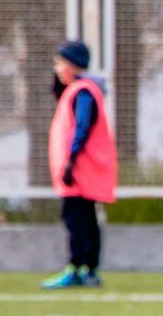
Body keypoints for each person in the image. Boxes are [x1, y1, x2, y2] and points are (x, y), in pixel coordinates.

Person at [41, 40, 117, 289]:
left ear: (73, 65)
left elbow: (82, 127)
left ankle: (79, 267)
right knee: (84, 218)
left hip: (80, 170)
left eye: (59, 63)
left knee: (77, 218)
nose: (56, 68)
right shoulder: (77, 90)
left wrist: (71, 161)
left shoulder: (83, 91)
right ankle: (87, 269)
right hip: (80, 169)